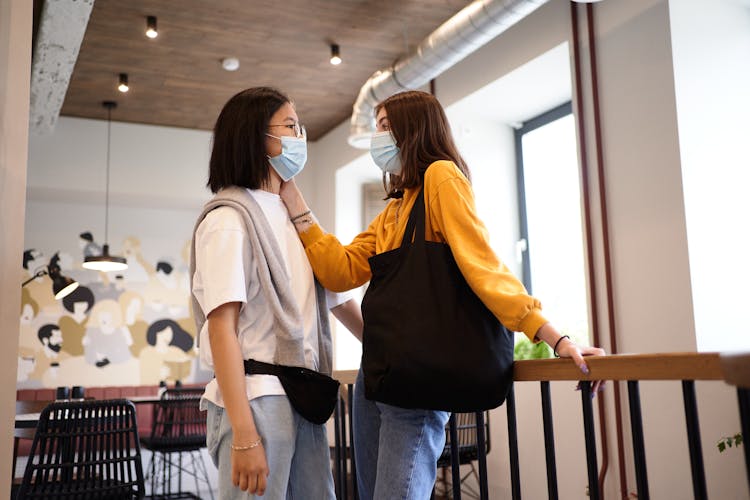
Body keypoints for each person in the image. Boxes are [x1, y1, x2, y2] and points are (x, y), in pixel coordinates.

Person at [279, 90, 606, 499]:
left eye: (384, 127)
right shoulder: (395, 209)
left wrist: (553, 336)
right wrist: (292, 196)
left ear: (412, 129)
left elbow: (481, 265)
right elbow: (338, 270)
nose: (377, 140)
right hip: (377, 376)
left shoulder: (441, 177)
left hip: (418, 379)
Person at [189, 87, 363, 499]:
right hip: (256, 399)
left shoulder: (295, 216)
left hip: (305, 395)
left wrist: (393, 353)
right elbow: (222, 330)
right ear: (256, 136)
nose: (299, 136)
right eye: (289, 126)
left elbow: (334, 299)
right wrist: (245, 435)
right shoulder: (229, 219)